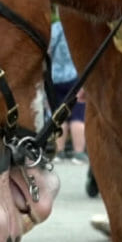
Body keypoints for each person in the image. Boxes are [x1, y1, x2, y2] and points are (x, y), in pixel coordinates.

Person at [49, 14, 88, 164]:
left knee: (60, 116)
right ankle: (78, 153)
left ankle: (59, 152)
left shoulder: (54, 29)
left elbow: (48, 51)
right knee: (78, 116)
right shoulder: (77, 29)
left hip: (55, 77)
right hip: (74, 76)